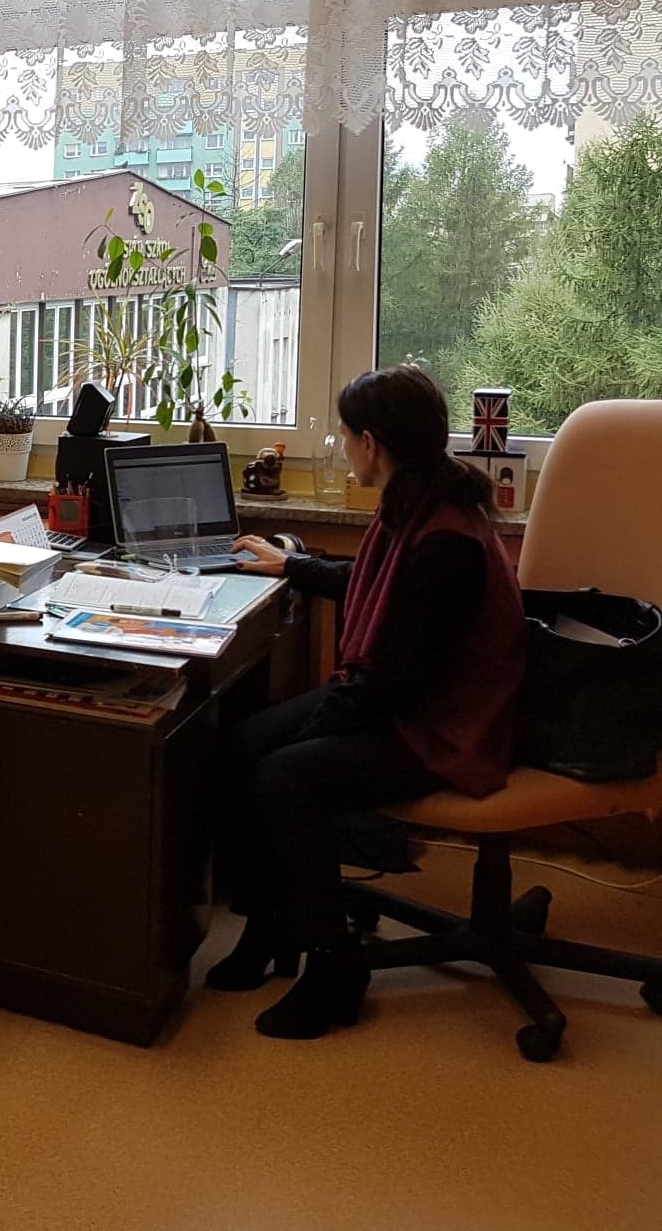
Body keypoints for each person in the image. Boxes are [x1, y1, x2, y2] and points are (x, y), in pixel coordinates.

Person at [211, 365, 526, 1039]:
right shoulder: (423, 502)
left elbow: (400, 685)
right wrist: (293, 565)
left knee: (283, 776)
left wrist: (318, 728)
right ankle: (271, 925)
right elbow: (381, 586)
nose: (344, 445)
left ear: (372, 444)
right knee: (241, 745)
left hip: (444, 729)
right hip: (406, 702)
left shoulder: (445, 539)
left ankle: (333, 965)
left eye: (346, 434)